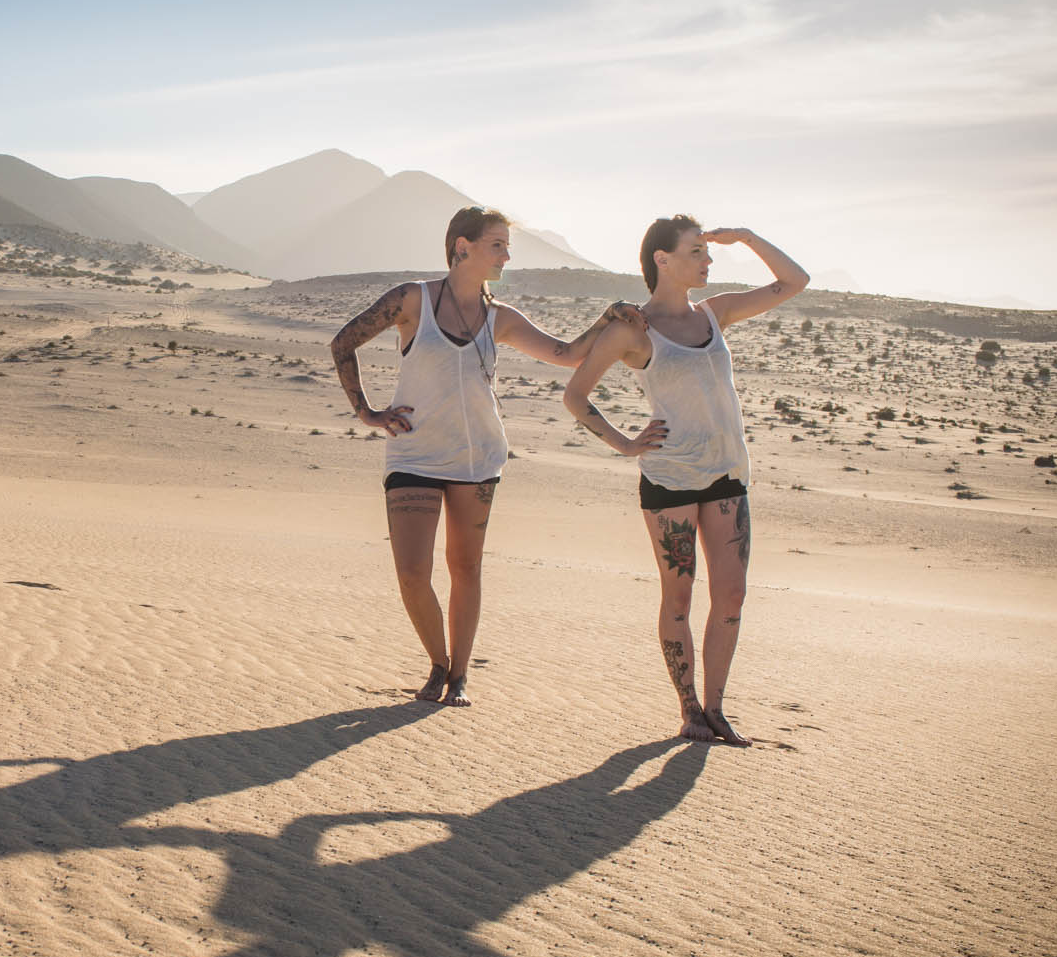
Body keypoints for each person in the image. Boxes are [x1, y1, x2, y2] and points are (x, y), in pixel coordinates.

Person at [329, 205, 648, 706]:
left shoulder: (500, 318)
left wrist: (607, 317)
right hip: (414, 455)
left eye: (506, 246)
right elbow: (343, 342)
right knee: (412, 573)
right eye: (497, 245)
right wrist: (366, 411)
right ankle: (437, 662)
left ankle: (458, 676)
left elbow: (567, 354)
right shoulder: (412, 300)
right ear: (463, 247)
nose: (506, 256)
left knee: (466, 568)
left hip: (477, 459)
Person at [563, 217, 808, 745]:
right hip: (670, 478)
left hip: (727, 474)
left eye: (707, 251)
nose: (708, 260)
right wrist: (625, 443)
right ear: (662, 259)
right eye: (696, 251)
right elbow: (575, 395)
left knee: (732, 595)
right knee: (678, 596)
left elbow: (795, 282)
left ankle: (716, 708)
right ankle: (689, 708)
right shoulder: (632, 330)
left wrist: (746, 238)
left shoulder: (716, 313)